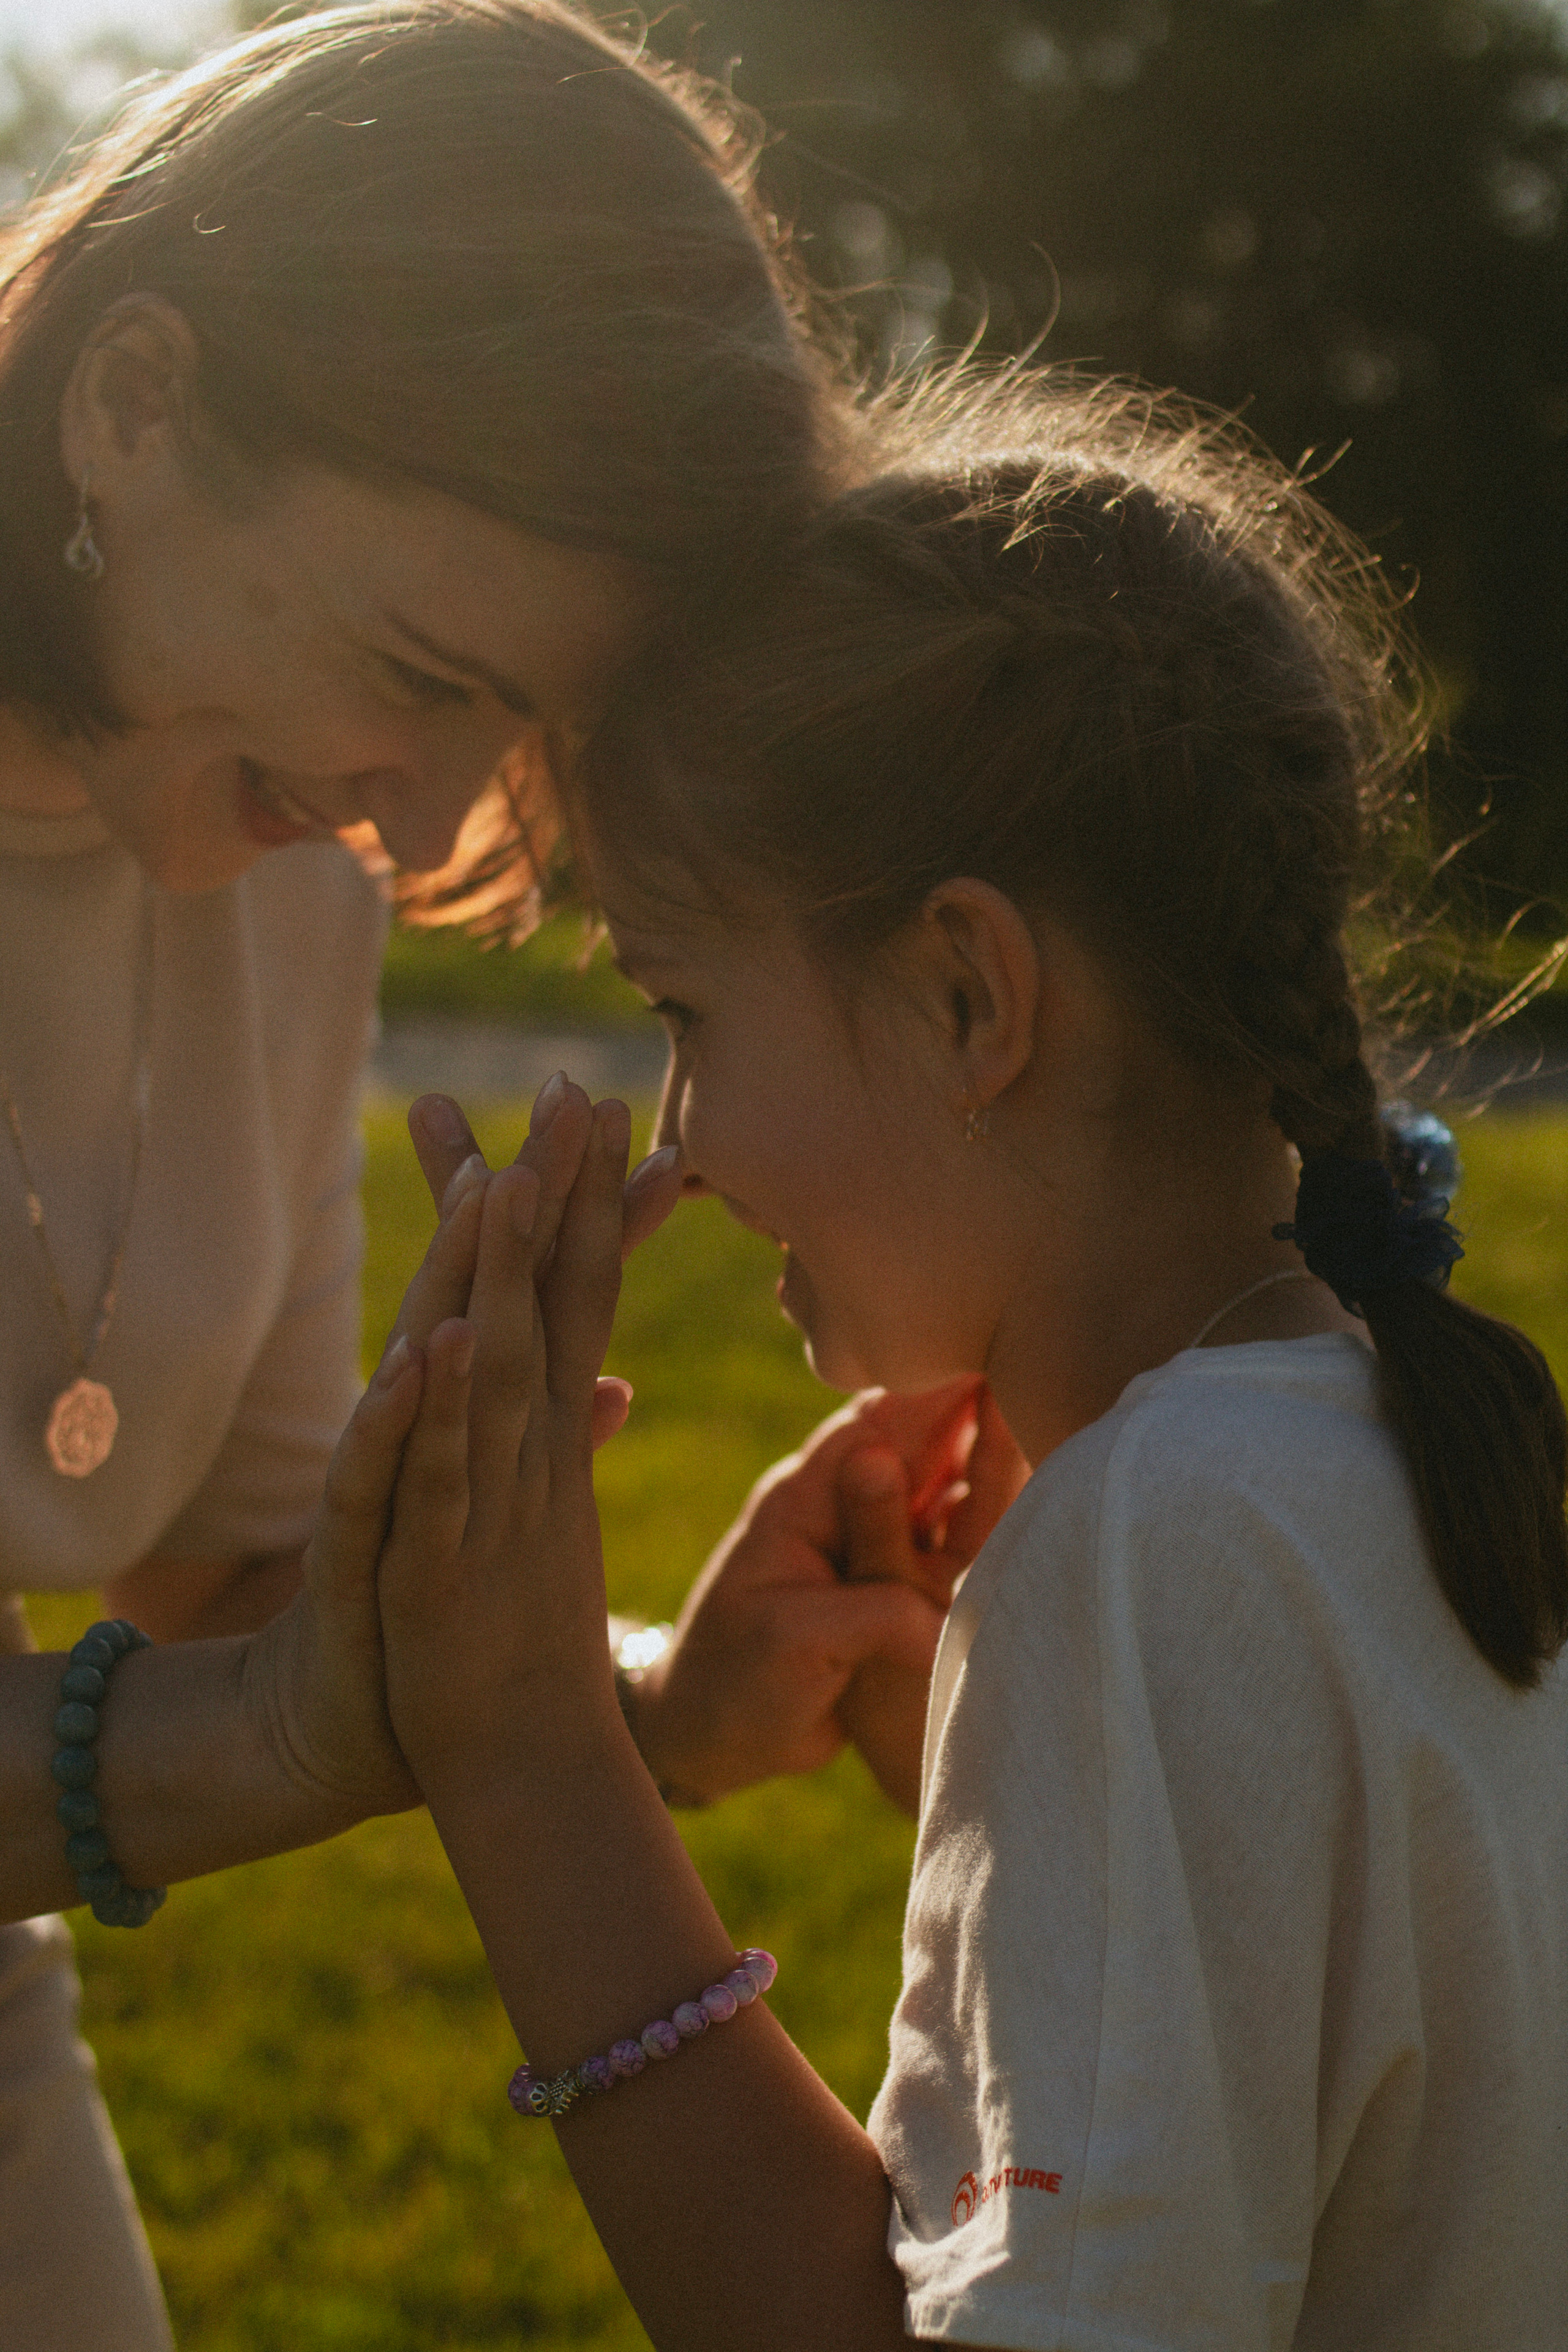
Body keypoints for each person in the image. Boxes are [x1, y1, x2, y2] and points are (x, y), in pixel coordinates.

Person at [355, 386, 1568, 2347]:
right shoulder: (1402, 1469)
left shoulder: (1157, 1548)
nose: (679, 1139)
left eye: (687, 1006)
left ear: (967, 994)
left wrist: (525, 1753)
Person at [0, 2, 851, 2339]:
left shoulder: (281, 868)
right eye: (415, 670)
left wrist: (609, 1688)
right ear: (132, 403)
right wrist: (273, 1745)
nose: (424, 820)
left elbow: (213, 1562)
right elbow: (238, 1699)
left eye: (513, 733)